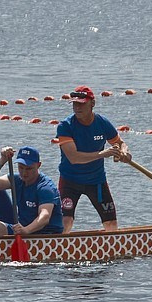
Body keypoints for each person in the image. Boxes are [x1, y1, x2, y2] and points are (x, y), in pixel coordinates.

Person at [54, 86, 125, 227]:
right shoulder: (65, 126)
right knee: (65, 221)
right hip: (70, 181)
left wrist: (124, 152)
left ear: (92, 103)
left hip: (96, 181)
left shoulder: (102, 123)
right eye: (75, 104)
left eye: (81, 104)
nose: (77, 108)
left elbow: (120, 143)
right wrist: (104, 154)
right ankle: (60, 247)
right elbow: (74, 158)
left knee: (111, 222)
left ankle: (113, 247)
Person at [0, 144, 65, 237]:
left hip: (47, 235)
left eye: (29, 168)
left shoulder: (45, 187)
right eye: (21, 167)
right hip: (23, 231)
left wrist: (26, 230)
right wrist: (2, 160)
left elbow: (44, 217)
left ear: (38, 165)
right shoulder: (16, 180)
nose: (24, 173)